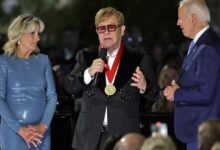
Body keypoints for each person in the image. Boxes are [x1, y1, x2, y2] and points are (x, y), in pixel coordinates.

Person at [65, 7, 158, 150]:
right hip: (89, 138)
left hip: (125, 137)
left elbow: (155, 94)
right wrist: (88, 73)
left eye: (111, 27)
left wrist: (144, 87)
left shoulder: (139, 59)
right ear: (97, 32)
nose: (106, 32)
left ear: (122, 30)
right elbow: (69, 86)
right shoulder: (86, 56)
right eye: (101, 28)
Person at [163, 0, 220, 149]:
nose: (177, 23)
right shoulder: (200, 43)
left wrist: (177, 94)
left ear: (193, 19)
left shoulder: (207, 48)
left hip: (203, 134)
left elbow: (206, 92)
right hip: (199, 132)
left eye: (180, 18)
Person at [0, 14, 57, 150]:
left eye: (38, 33)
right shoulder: (3, 61)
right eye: (32, 33)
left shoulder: (43, 60)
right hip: (13, 134)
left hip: (41, 133)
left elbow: (52, 96)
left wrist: (43, 126)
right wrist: (20, 130)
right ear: (19, 35)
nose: (37, 38)